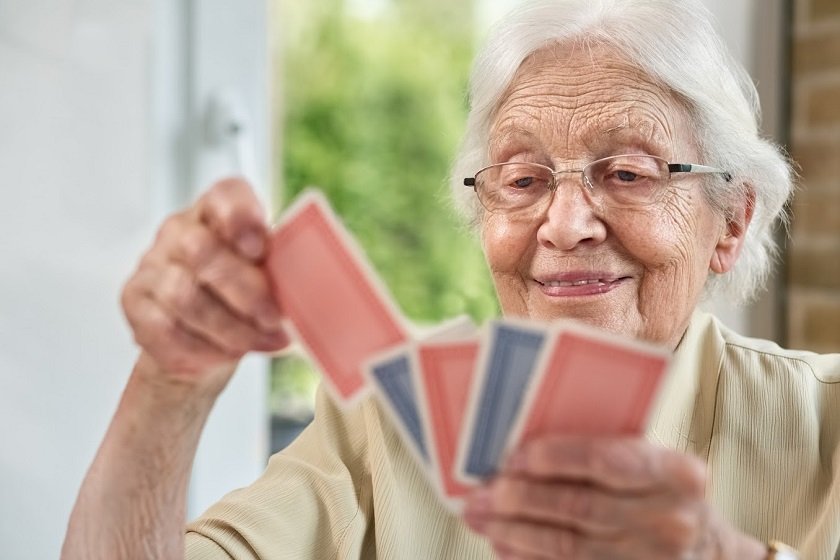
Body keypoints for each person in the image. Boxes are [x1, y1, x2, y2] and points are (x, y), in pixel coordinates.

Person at [62, 0, 840, 558]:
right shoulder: (380, 428)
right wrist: (171, 382)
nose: (565, 225)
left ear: (732, 222)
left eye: (628, 172)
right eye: (524, 179)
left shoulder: (827, 431)